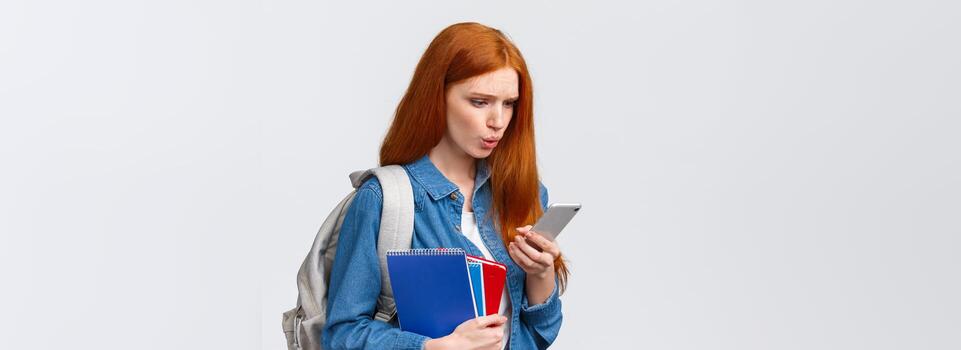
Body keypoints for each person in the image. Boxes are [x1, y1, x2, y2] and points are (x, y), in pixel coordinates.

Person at [321, 22, 569, 350]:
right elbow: (342, 335)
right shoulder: (384, 200)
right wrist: (435, 347)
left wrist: (541, 274)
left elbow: (538, 336)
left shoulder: (526, 192)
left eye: (509, 103)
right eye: (480, 101)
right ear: (437, 96)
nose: (498, 120)